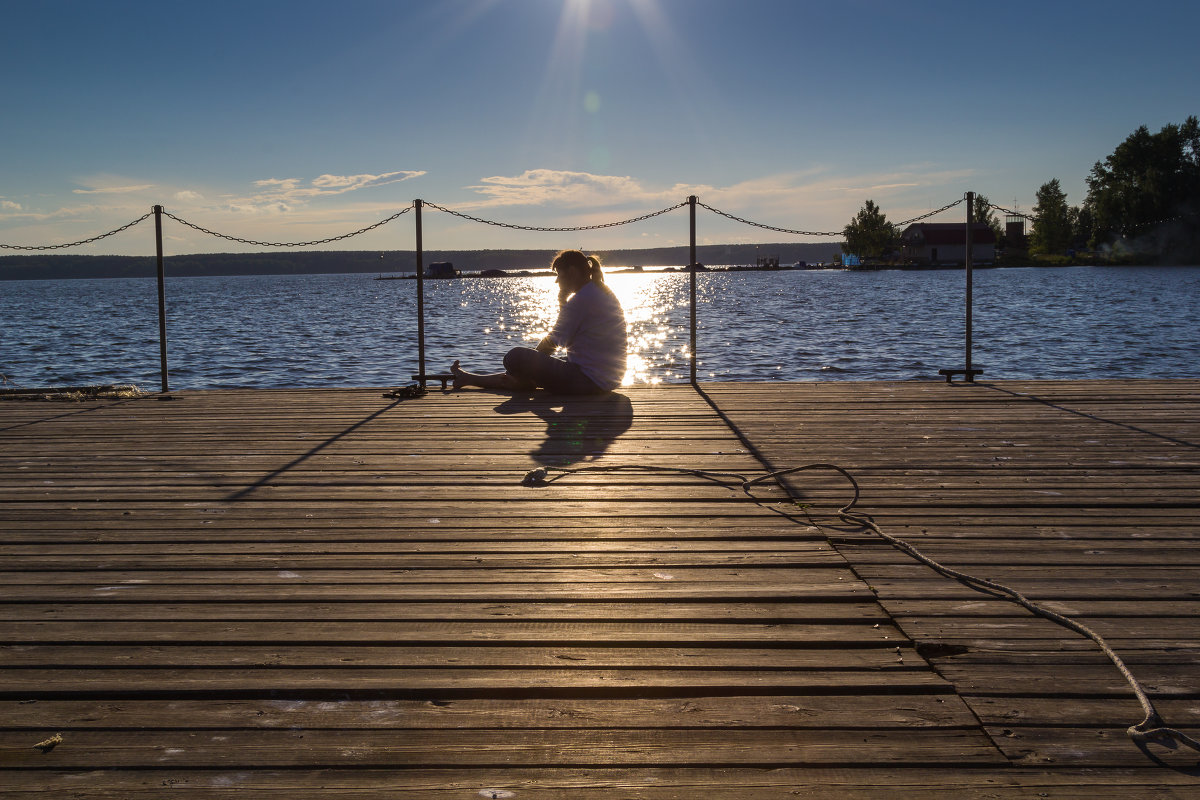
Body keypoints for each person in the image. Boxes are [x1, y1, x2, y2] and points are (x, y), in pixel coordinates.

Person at [451, 250, 626, 394]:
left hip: (588, 381)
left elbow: (552, 343)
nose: (557, 281)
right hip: (607, 379)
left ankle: (519, 382)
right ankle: (470, 378)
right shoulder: (602, 292)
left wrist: (527, 367)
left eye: (559, 275)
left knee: (515, 356)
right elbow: (567, 336)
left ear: (572, 272)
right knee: (535, 365)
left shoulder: (581, 300)